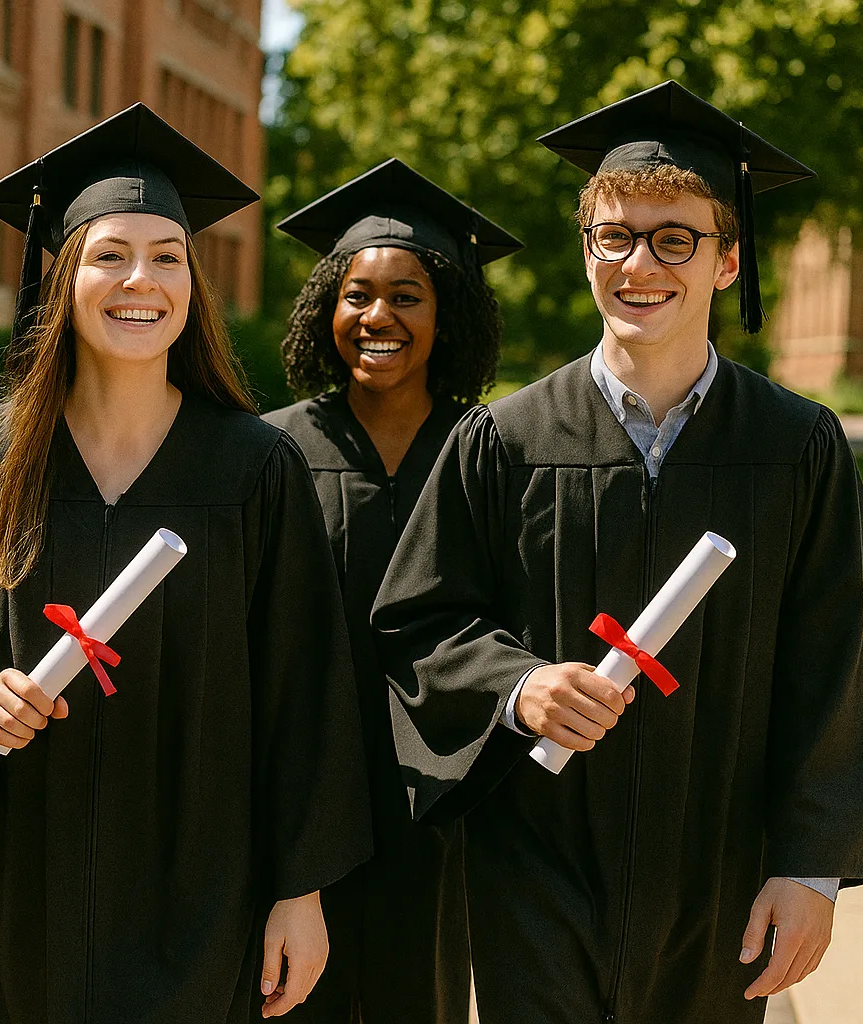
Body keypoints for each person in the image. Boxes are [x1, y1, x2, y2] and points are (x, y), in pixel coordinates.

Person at [371, 81, 863, 1023]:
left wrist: (811, 869)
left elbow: (841, 659)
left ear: (727, 257)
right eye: (615, 236)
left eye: (676, 238)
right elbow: (419, 620)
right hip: (536, 870)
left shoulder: (795, 445)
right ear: (587, 249)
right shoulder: (506, 440)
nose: (641, 264)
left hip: (721, 877)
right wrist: (517, 684)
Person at [0, 103, 371, 1024]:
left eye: (168, 256)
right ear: (61, 278)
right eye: (110, 255)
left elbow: (306, 693)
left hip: (205, 887)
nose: (142, 279)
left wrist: (301, 892)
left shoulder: (253, 467)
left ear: (193, 284)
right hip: (28, 880)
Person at [263, 158, 520, 1024]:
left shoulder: (489, 449)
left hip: (443, 785)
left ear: (447, 312)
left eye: (408, 295)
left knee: (429, 993)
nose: (379, 317)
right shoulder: (273, 452)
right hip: (301, 781)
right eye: (357, 295)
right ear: (325, 312)